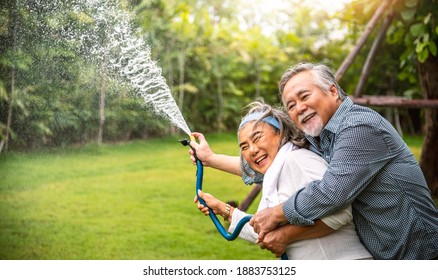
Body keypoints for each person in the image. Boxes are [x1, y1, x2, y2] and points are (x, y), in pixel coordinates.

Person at [189, 62, 438, 260]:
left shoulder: (359, 127)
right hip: (388, 256)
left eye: (304, 96)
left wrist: (276, 217)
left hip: (421, 254)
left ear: (332, 90)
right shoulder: (322, 137)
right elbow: (265, 165)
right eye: (291, 105)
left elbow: (331, 193)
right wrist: (210, 160)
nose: (299, 108)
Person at [193, 101, 373, 259]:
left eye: (257, 137)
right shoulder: (275, 175)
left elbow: (341, 212)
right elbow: (265, 231)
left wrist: (286, 236)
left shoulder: (299, 160)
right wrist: (222, 209)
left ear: (280, 133)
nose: (252, 150)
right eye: (244, 147)